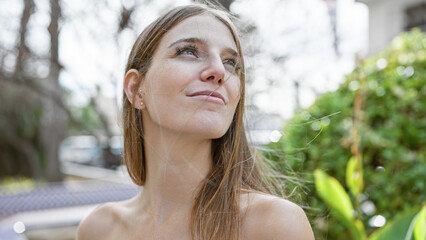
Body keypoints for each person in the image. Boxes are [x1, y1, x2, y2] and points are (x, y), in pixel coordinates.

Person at [77, 3, 314, 240]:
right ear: (136, 88)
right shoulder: (98, 229)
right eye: (188, 51)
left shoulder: (273, 224)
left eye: (231, 63)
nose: (219, 70)